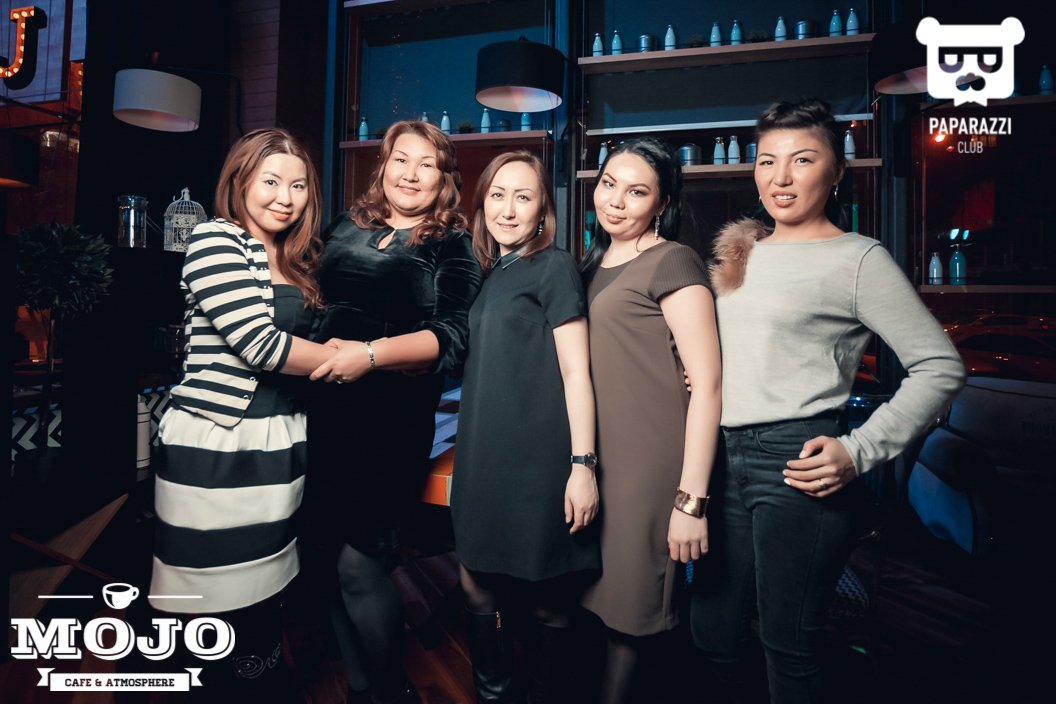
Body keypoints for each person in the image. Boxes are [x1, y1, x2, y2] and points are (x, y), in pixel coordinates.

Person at [693, 98, 966, 704]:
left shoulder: (857, 258)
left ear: (836, 171)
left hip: (797, 464)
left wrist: (859, 450)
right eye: (767, 160)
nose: (781, 177)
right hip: (720, 459)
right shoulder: (744, 251)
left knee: (789, 646)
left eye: (803, 159)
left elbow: (940, 367)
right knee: (712, 634)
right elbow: (738, 351)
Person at [150, 127, 355, 699]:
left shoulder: (299, 260)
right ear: (239, 182)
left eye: (298, 186)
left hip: (279, 444)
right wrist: (356, 358)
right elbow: (257, 344)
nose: (285, 198)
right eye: (271, 181)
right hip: (216, 450)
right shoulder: (214, 239)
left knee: (262, 601)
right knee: (203, 600)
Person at [306, 120, 483, 704]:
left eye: (426, 164)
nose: (410, 174)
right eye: (401, 159)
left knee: (360, 564)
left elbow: (453, 336)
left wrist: (370, 354)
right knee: (323, 556)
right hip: (319, 414)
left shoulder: (452, 244)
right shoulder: (347, 225)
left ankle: (390, 691)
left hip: (388, 423)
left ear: (444, 178)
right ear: (382, 166)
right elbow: (311, 298)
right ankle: (360, 687)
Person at [450, 151, 600, 703]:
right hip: (482, 455)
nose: (508, 210)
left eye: (523, 197)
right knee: (475, 581)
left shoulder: (553, 266)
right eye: (497, 195)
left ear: (543, 211)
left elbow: (577, 372)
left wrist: (582, 466)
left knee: (547, 595)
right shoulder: (488, 272)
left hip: (539, 459)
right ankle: (493, 694)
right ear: (482, 203)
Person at [579, 137, 722, 704]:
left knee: (633, 613)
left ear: (662, 203)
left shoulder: (672, 259)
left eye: (636, 191)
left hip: (648, 464)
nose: (616, 201)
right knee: (596, 604)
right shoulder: (592, 262)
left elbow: (708, 384)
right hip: (599, 458)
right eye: (608, 184)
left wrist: (691, 502)